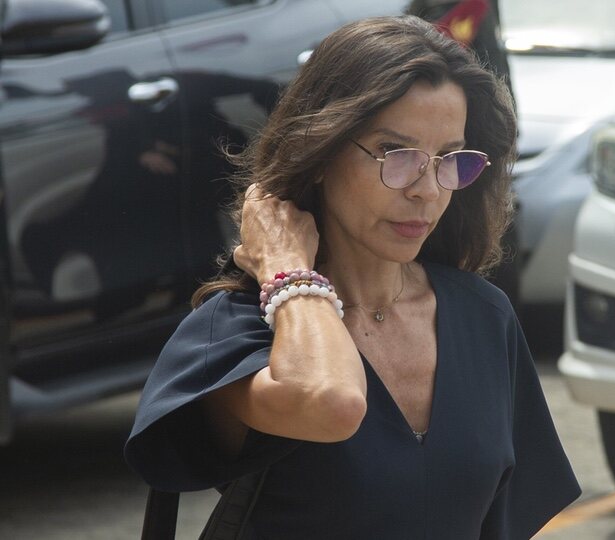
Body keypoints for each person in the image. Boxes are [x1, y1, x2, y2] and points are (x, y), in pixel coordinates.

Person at [124, 15, 580, 539]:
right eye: (395, 154)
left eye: (450, 159)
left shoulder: (483, 316)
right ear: (319, 151)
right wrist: (289, 273)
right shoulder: (234, 332)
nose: (427, 190)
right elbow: (330, 402)